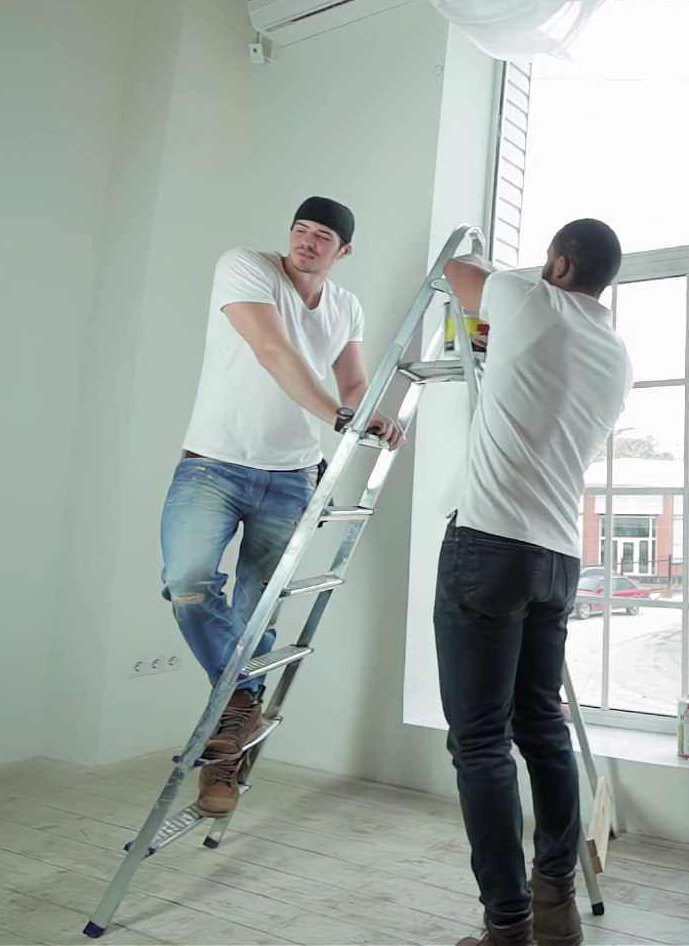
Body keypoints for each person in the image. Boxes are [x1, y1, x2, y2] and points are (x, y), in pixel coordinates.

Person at [162, 197, 404, 818]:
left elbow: (353, 383)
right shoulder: (246, 266)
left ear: (343, 250)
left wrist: (370, 412)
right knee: (187, 582)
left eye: (323, 236)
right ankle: (242, 699)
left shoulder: (345, 305)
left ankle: (223, 761)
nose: (307, 242)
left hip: (293, 477)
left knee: (256, 615)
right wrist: (340, 417)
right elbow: (273, 351)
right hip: (213, 465)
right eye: (301, 229)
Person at [434, 218, 631, 946]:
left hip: (489, 544)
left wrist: (494, 259)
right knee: (542, 727)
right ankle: (556, 906)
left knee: (480, 741)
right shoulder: (616, 354)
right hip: (558, 558)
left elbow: (457, 270)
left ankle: (507, 925)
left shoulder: (526, 299)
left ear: (560, 263)